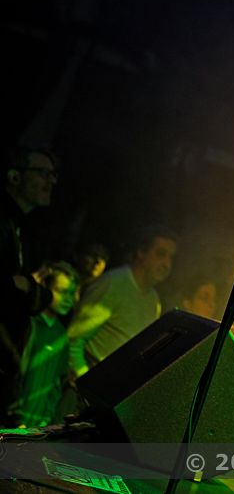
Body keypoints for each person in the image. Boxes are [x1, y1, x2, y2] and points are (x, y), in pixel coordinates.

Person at [67, 224, 178, 376]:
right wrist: (84, 378)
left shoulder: (153, 300)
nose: (167, 264)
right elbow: (73, 339)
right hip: (92, 378)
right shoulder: (113, 283)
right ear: (141, 252)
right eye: (160, 254)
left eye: (171, 258)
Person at [1, 146, 59, 425]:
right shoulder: (4, 222)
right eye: (43, 173)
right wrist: (22, 288)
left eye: (53, 175)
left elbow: (39, 295)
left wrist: (28, 288)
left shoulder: (22, 228)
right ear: (15, 177)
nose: (51, 181)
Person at [14, 261, 79, 428]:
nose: (68, 299)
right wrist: (15, 416)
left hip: (37, 426)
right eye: (61, 291)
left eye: (71, 293)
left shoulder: (61, 335)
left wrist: (47, 419)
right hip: (12, 422)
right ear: (45, 288)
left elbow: (56, 383)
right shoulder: (29, 325)